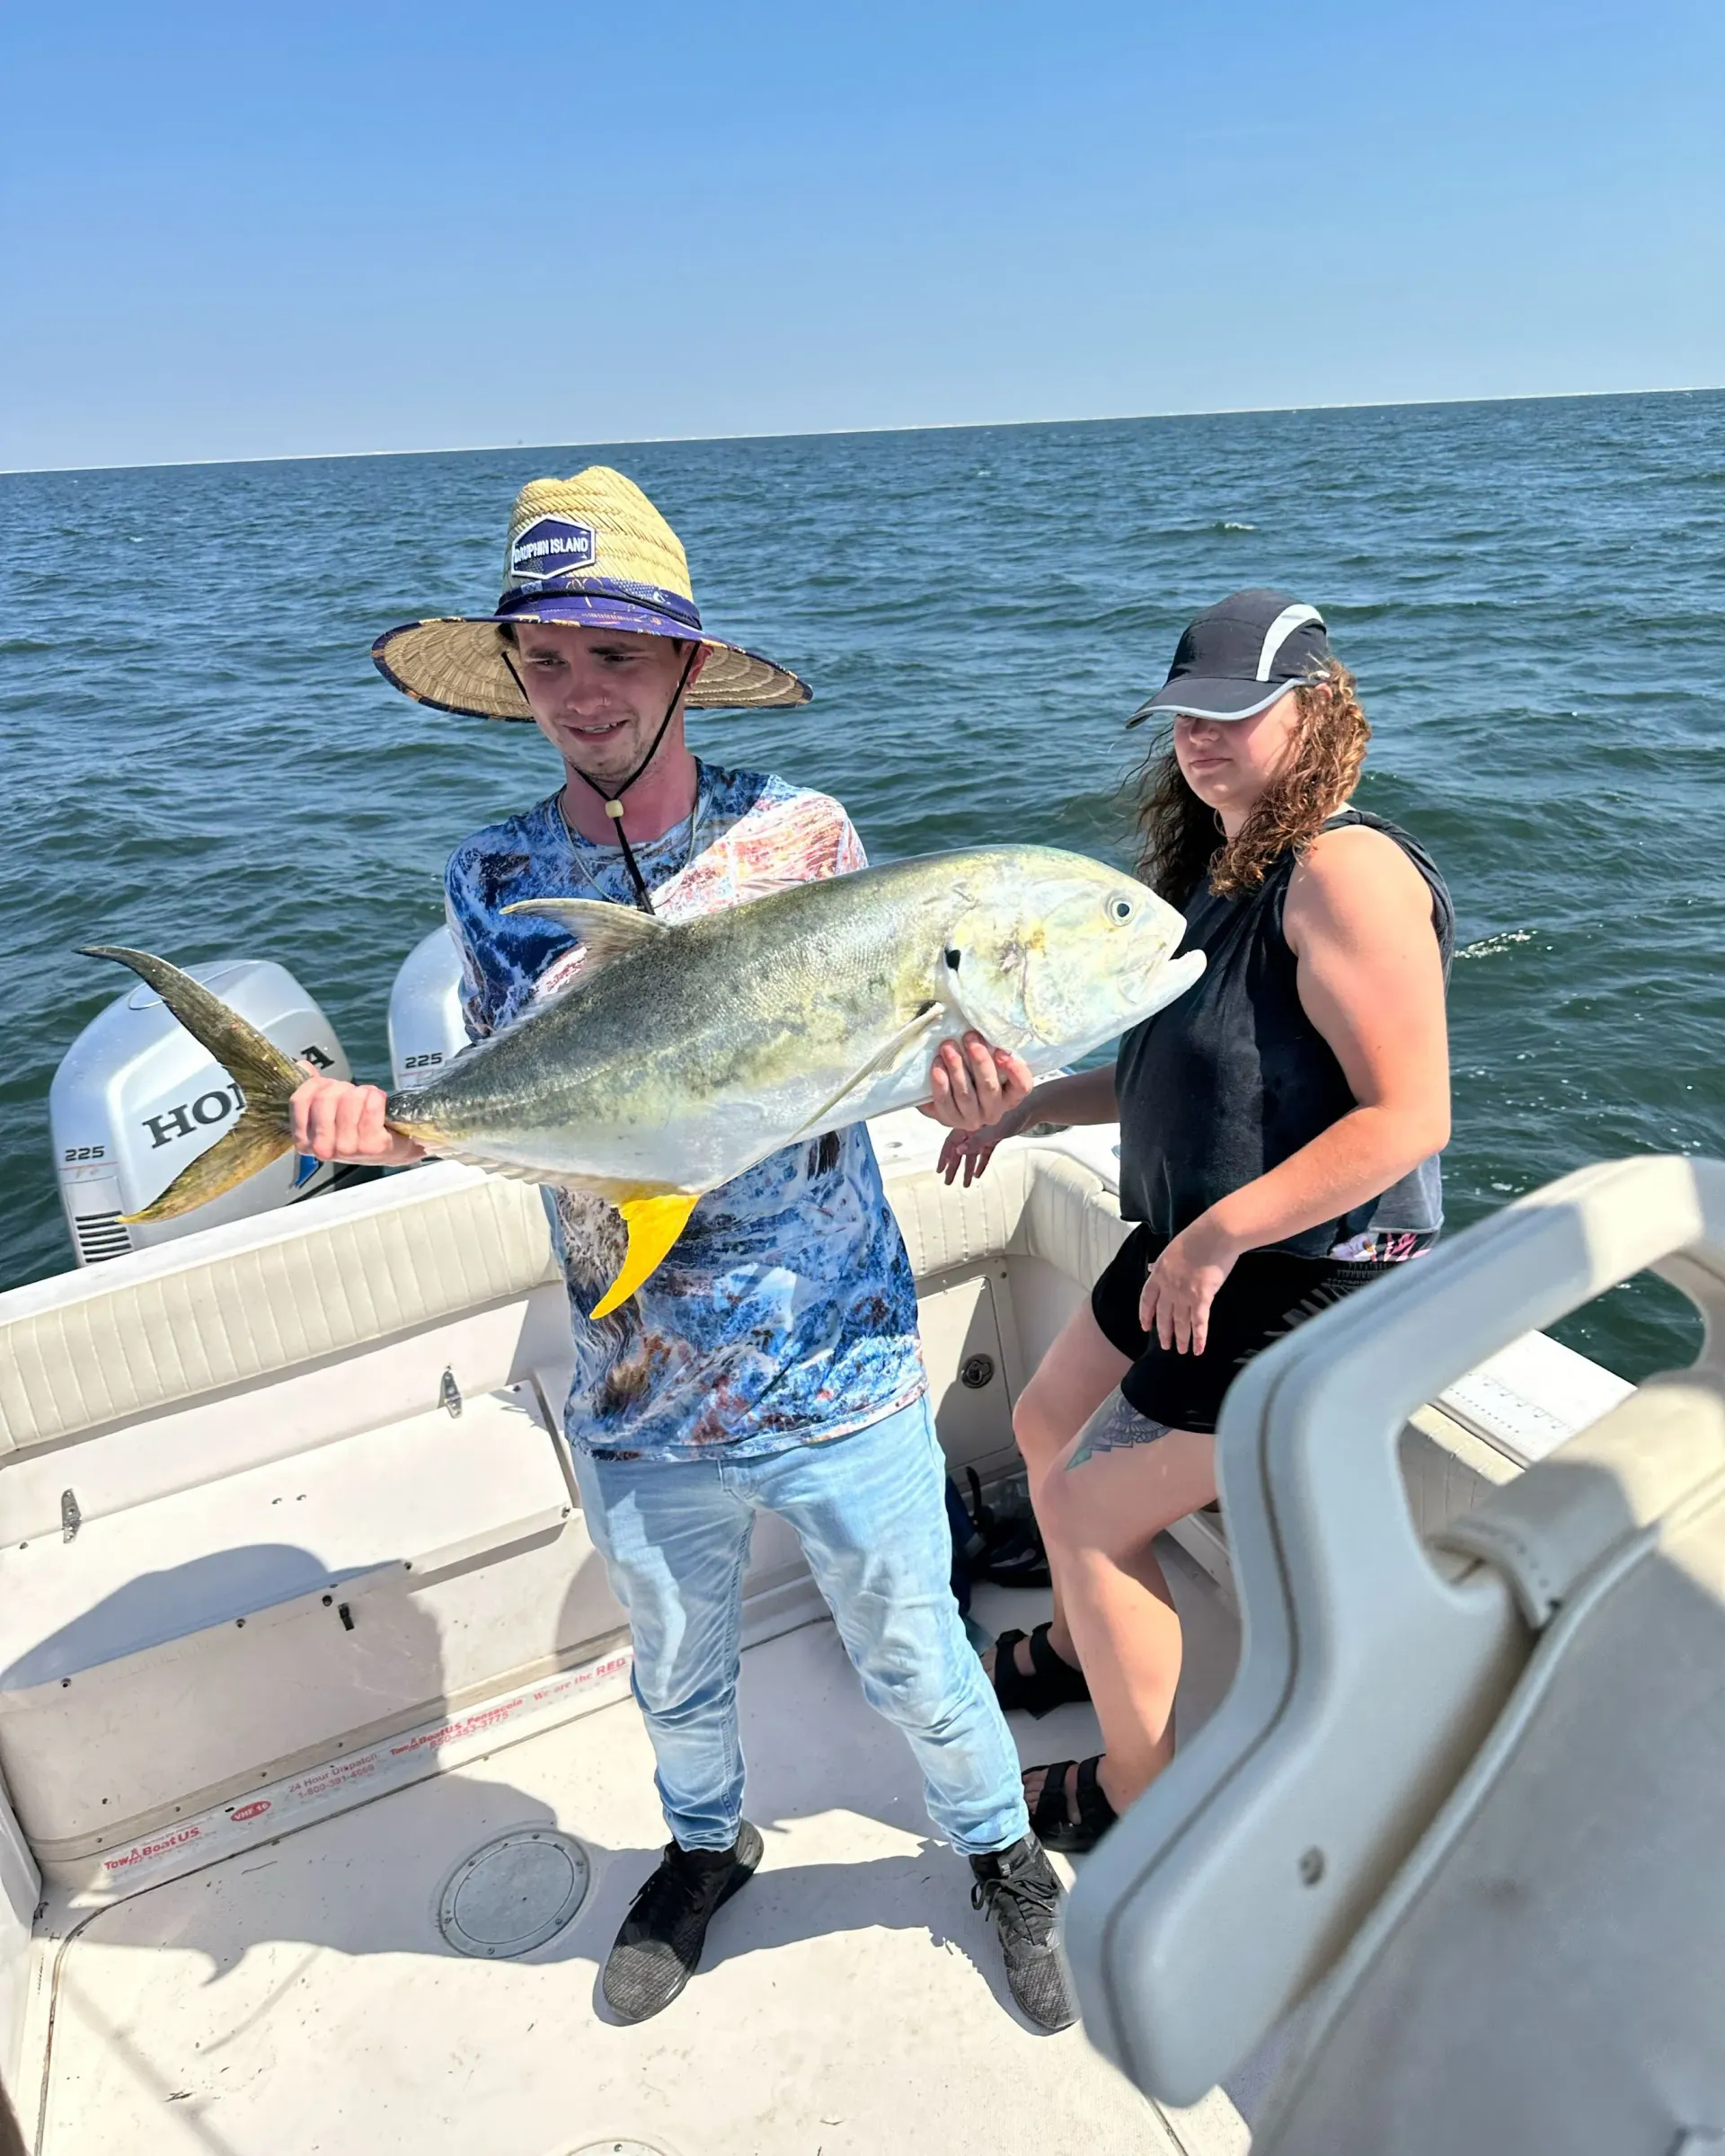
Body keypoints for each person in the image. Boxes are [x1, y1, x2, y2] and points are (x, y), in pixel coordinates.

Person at [289, 467, 1076, 2030]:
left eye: (618, 657)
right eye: (549, 660)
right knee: (674, 1668)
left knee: (917, 1647)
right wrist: (388, 1128)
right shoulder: (497, 877)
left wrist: (970, 1072)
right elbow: (524, 1099)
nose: (581, 694)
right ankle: (707, 1850)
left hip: (838, 1356)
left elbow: (874, 1052)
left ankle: (998, 1855)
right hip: (640, 1374)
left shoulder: (803, 837)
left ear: (686, 670)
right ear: (516, 677)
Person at [935, 589, 1453, 1851]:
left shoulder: (1343, 874)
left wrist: (1218, 1238)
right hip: (1189, 1247)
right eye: (1185, 716)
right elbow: (1179, 1079)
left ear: (1317, 713)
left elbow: (1408, 1118)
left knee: (1096, 1509)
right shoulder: (1222, 873)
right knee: (1047, 1420)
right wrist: (1029, 1110)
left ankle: (1135, 1790)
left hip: (1307, 1273)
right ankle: (1076, 1641)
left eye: (1236, 712)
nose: (1202, 738)